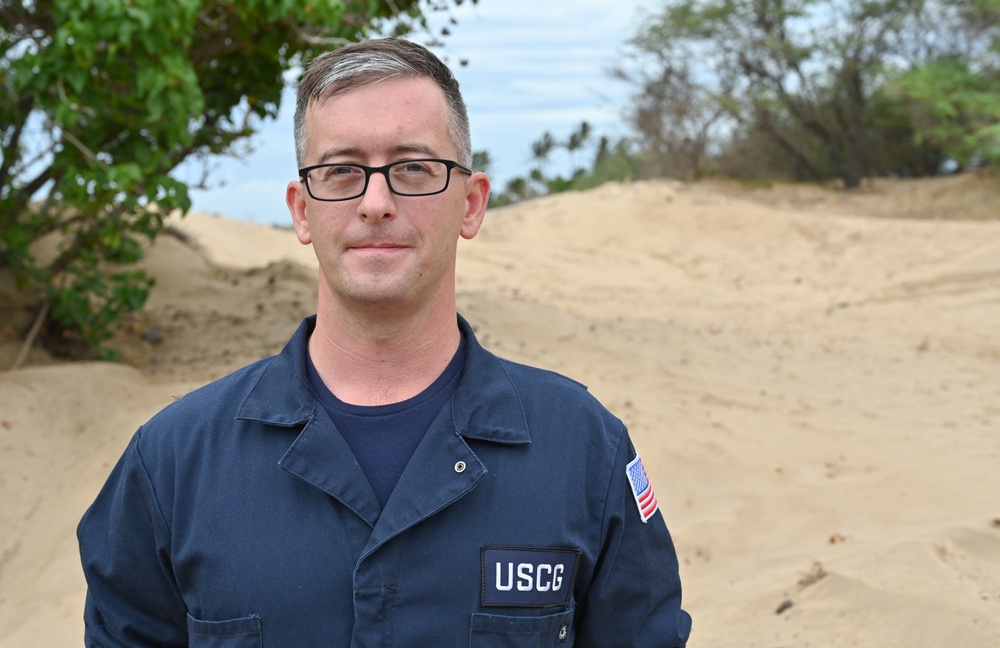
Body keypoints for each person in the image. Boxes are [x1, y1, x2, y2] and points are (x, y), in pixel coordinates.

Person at [77, 37, 692, 647]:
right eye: (342, 171)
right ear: (301, 209)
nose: (376, 203)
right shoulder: (173, 462)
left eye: (413, 169)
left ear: (471, 204)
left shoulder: (584, 449)